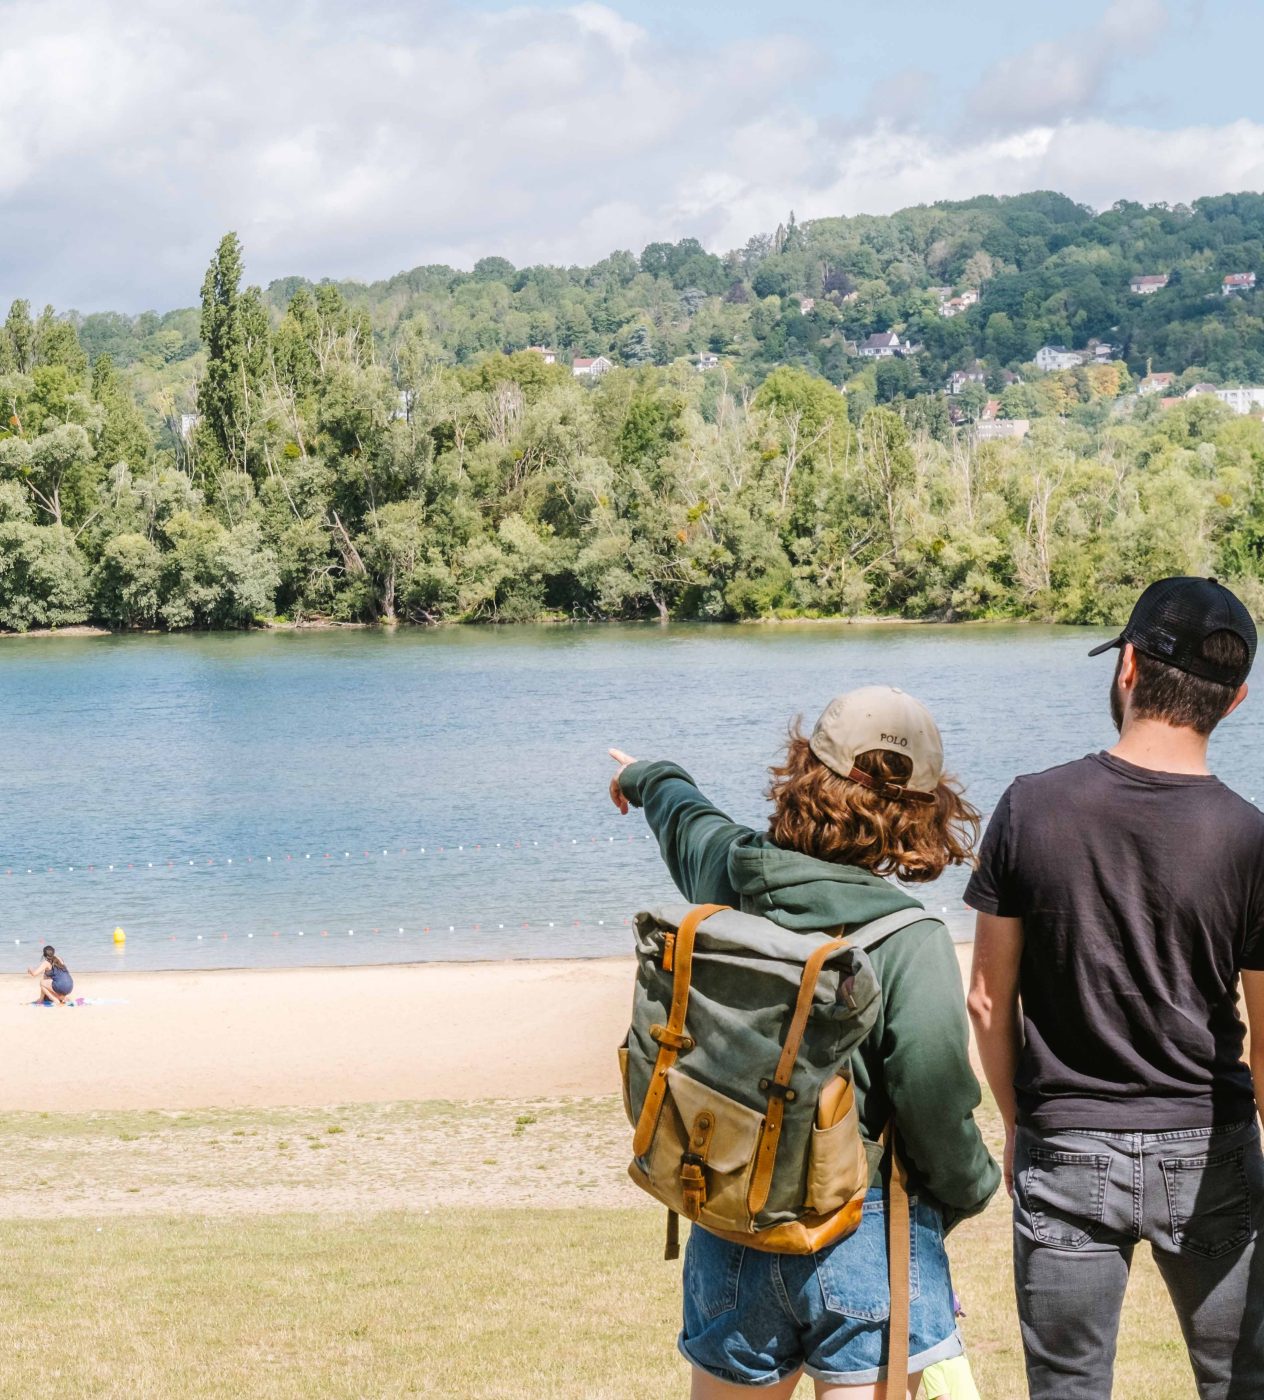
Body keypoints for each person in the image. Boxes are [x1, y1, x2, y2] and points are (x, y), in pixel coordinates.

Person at [609, 685, 1000, 1400]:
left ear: (803, 770)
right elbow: (936, 1107)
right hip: (866, 1230)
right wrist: (975, 1190)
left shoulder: (730, 872)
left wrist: (645, 776)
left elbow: (685, 817)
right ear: (920, 812)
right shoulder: (910, 941)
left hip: (730, 1210)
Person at [966, 576, 1264, 1400]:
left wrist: (1026, 1122)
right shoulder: (1251, 838)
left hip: (1067, 1142)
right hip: (1211, 1144)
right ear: (1235, 701)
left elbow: (987, 1001)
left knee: (1067, 1389)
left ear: (1127, 666)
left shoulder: (1031, 807)